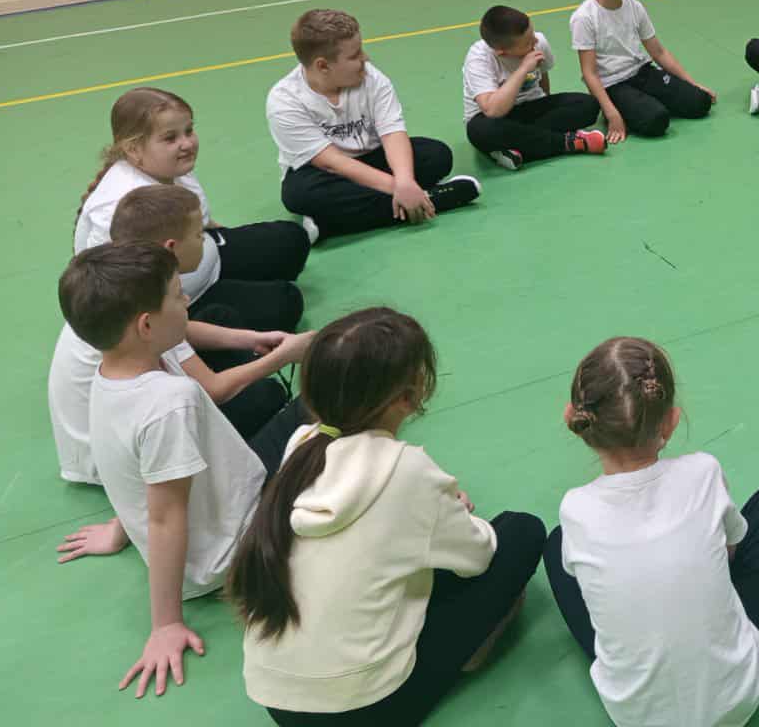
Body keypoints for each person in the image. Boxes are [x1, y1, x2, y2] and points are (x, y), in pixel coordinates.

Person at [232, 308, 547, 725]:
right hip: (364, 711)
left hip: (277, 703)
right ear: (410, 395)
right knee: (522, 531)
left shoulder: (302, 442)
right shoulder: (408, 469)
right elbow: (478, 557)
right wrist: (446, 510)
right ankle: (466, 654)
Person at [54, 243, 308, 698]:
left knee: (291, 413)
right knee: (331, 396)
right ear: (146, 325)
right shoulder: (168, 403)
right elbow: (165, 516)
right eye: (176, 295)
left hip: (230, 494)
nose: (187, 300)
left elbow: (136, 472)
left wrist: (121, 528)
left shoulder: (116, 370)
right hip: (239, 539)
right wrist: (166, 623)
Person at [544, 336, 759, 726]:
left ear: (576, 420)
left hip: (637, 716)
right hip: (737, 699)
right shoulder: (703, 471)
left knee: (557, 545)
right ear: (671, 421)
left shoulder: (575, 508)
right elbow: (730, 553)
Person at [51, 186, 313, 482]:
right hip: (119, 460)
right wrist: (283, 357)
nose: (206, 240)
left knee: (221, 320)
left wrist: (252, 338)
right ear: (171, 247)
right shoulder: (150, 316)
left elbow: (185, 330)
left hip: (106, 442)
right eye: (200, 235)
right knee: (270, 397)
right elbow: (212, 389)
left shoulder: (131, 295)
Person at [76, 86, 307, 335]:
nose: (186, 143)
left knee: (291, 239)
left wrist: (245, 246)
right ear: (133, 149)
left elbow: (202, 221)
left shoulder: (170, 167)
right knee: (284, 302)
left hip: (204, 258)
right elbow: (126, 301)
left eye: (189, 131)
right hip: (181, 302)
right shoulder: (122, 208)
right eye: (170, 138)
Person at [267, 10, 479, 239]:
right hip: (325, 172)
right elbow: (331, 162)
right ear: (323, 66)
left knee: (436, 155)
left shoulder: (371, 78)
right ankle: (434, 199)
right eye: (355, 55)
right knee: (299, 194)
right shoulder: (285, 100)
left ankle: (329, 225)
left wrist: (405, 181)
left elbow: (393, 133)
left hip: (374, 158)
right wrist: (396, 188)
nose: (365, 58)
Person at [571, 0, 716, 141]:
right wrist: (612, 114)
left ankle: (643, 102)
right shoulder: (584, 18)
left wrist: (692, 84)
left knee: (700, 102)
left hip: (642, 73)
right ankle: (623, 106)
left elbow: (659, 52)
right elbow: (590, 73)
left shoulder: (634, 6)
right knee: (656, 120)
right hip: (613, 85)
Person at [462, 4, 605, 170]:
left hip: (530, 109)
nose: (535, 41)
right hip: (494, 119)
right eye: (528, 42)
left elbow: (543, 78)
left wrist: (550, 105)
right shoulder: (479, 58)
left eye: (533, 34)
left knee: (588, 104)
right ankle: (566, 142)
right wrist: (523, 69)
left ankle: (514, 148)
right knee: (480, 131)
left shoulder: (538, 41)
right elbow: (493, 110)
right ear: (501, 51)